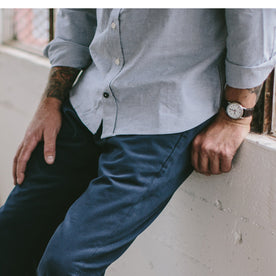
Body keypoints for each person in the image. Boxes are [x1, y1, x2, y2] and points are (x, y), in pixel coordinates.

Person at [0, 8, 275, 276]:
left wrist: (236, 113)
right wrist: (52, 99)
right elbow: (77, 11)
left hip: (162, 117)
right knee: (9, 238)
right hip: (88, 104)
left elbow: (252, 14)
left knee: (67, 265)